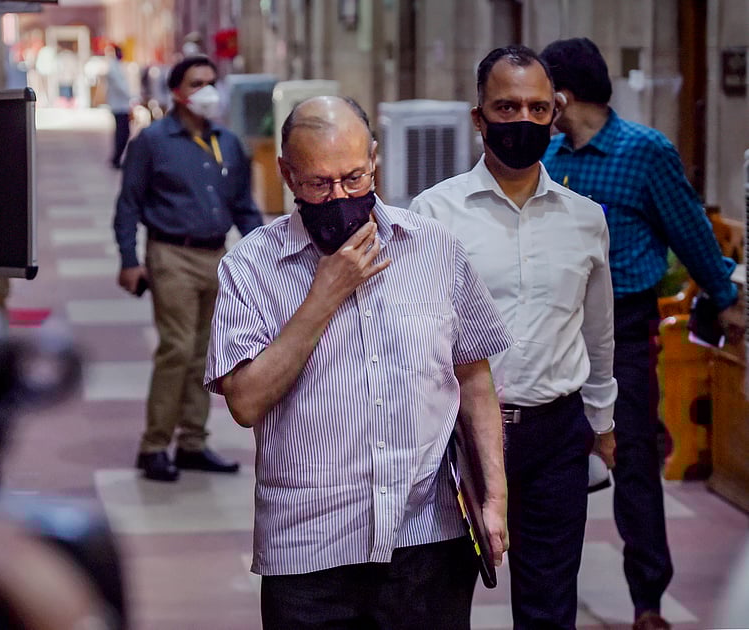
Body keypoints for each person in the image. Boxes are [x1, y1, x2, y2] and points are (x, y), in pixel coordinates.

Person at [204, 95, 512, 629]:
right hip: (307, 549)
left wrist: (495, 495)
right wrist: (323, 296)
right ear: (287, 175)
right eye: (319, 184)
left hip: (426, 539)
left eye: (352, 178)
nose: (340, 196)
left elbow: (474, 379)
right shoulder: (249, 268)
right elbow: (246, 402)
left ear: (373, 160)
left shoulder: (434, 250)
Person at [410, 45, 617, 630]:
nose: (522, 121)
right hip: (459, 438)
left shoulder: (585, 219)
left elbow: (597, 334)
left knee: (550, 604)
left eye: (536, 107)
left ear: (555, 113)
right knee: (442, 599)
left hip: (556, 433)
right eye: (505, 107)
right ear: (479, 119)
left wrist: (602, 425)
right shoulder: (434, 215)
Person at [539, 37, 743, 630]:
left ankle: (648, 602)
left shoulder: (644, 151)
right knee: (552, 467)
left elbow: (689, 231)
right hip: (557, 332)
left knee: (629, 463)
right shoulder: (551, 157)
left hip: (623, 331)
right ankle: (550, 598)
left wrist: (725, 299)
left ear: (562, 94)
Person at [114, 55, 263, 482]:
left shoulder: (228, 142)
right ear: (177, 92)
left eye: (212, 81)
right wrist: (128, 259)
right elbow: (128, 205)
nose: (208, 90)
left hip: (217, 256)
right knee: (177, 349)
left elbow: (243, 206)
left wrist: (265, 254)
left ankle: (193, 443)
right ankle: (155, 445)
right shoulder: (152, 142)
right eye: (198, 83)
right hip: (171, 254)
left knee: (205, 354)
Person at [104, 43, 133, 170]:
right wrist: (132, 97)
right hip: (118, 105)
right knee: (122, 133)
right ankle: (116, 159)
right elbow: (121, 86)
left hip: (122, 105)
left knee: (123, 132)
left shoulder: (117, 66)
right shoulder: (113, 67)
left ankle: (117, 158)